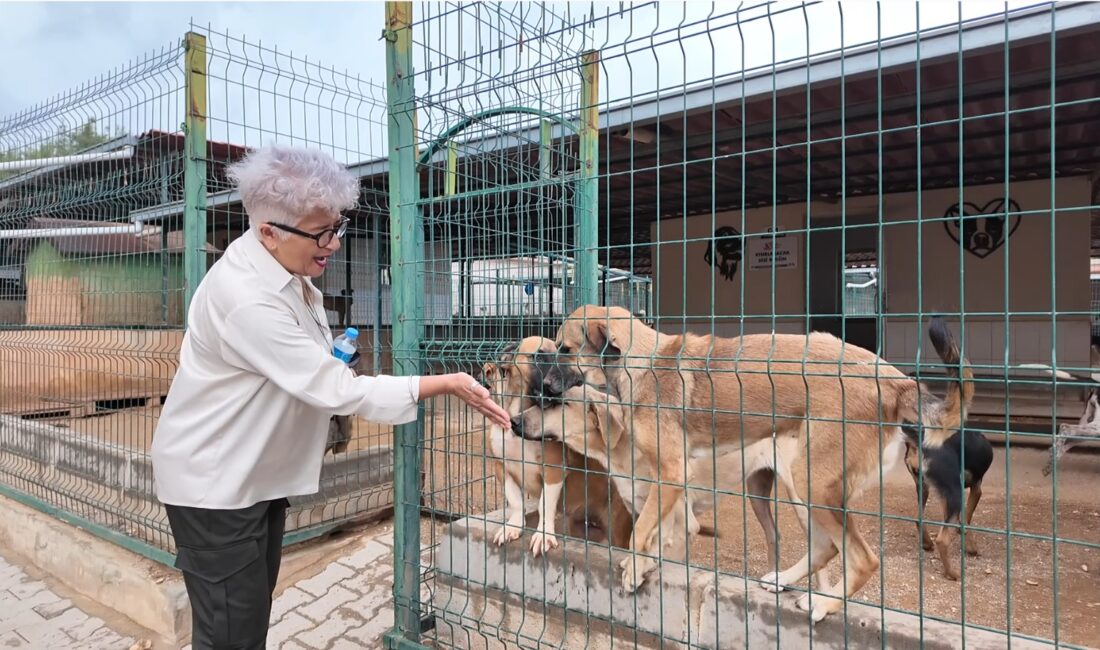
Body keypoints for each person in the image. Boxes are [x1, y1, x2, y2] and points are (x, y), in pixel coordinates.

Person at [150, 144, 510, 650]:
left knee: (248, 614)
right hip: (214, 483)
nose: (334, 243)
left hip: (251, 475)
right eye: (322, 232)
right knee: (230, 631)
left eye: (336, 228)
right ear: (269, 232)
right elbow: (335, 389)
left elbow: (310, 370)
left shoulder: (284, 274)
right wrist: (447, 382)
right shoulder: (246, 298)